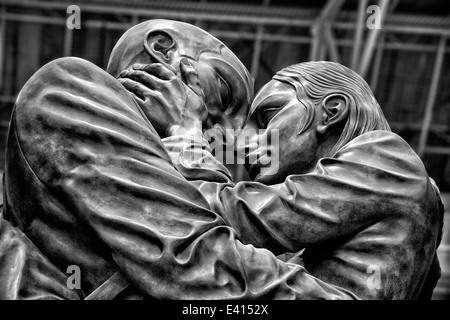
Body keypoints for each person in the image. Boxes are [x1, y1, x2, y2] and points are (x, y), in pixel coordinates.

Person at [0, 19, 359, 300]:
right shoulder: (67, 90)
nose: (228, 134)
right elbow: (199, 263)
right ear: (161, 49)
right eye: (223, 87)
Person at [122, 61, 445, 299]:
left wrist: (184, 131)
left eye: (267, 116)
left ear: (332, 111)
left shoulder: (385, 156)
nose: (246, 143)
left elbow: (218, 218)